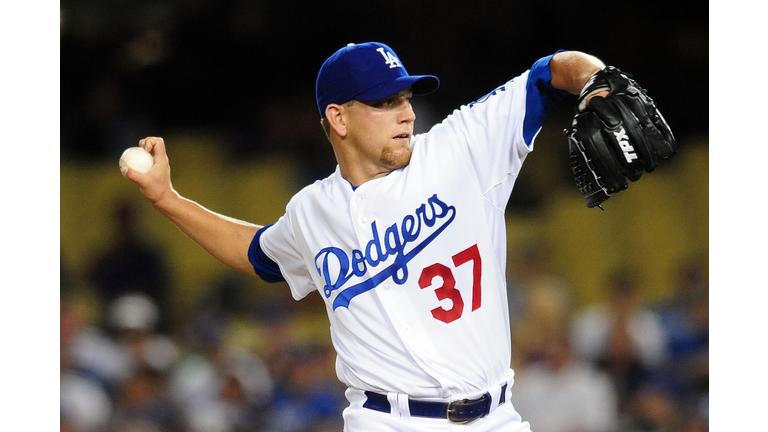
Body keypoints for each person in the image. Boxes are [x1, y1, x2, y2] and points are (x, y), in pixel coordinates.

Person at [122, 41, 610, 430]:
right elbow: (258, 255)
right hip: (384, 421)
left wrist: (598, 81)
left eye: (405, 98)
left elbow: (550, 72)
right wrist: (168, 199)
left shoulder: (457, 150)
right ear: (338, 118)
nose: (407, 113)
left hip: (495, 418)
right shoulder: (312, 211)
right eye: (385, 101)